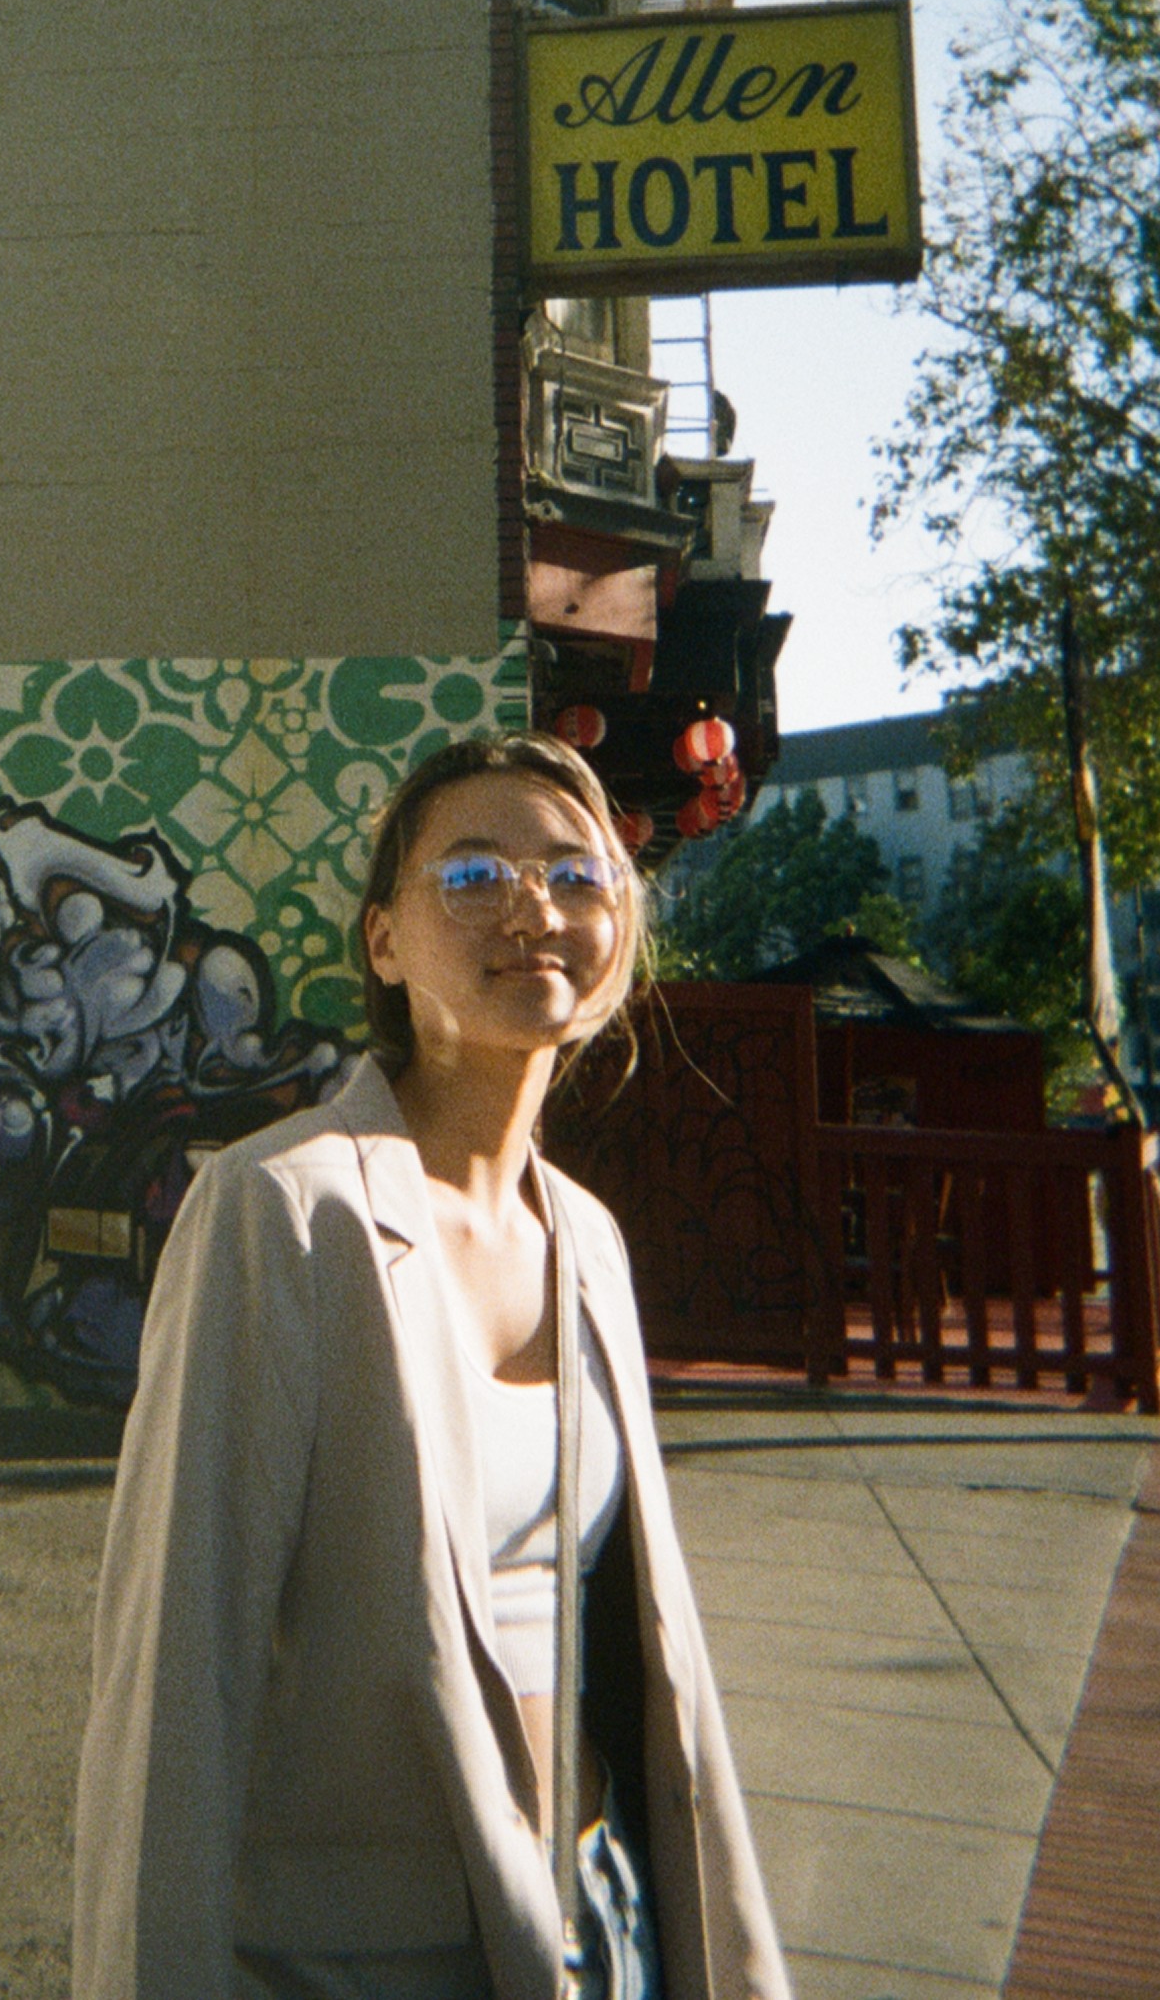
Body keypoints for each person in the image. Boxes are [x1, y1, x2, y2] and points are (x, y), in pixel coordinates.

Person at [72, 732, 793, 2000]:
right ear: (383, 942)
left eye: (578, 874)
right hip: (359, 1958)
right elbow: (173, 1688)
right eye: (470, 875)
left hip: (601, 1898)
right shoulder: (282, 1210)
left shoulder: (588, 1241)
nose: (533, 905)